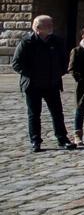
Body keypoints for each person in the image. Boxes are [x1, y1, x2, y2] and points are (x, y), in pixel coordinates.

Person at [13, 15, 76, 152]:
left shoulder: (57, 41)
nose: (51, 27)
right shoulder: (27, 43)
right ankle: (35, 141)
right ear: (37, 28)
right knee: (34, 114)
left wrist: (59, 72)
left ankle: (62, 138)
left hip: (52, 83)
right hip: (33, 85)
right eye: (47, 25)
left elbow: (64, 60)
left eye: (51, 24)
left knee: (57, 113)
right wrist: (32, 74)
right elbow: (16, 63)